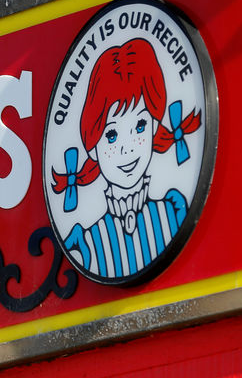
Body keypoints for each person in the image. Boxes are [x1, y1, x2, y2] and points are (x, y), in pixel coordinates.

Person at [51, 37, 201, 279]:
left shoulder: (172, 210)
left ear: (154, 126)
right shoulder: (87, 242)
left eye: (140, 125)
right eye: (111, 135)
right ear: (92, 147)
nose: (127, 148)